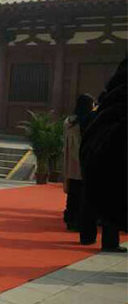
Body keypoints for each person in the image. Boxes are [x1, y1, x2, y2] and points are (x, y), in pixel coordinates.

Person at [79, 58, 127, 253]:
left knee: (88, 202)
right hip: (109, 166)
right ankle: (108, 241)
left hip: (91, 164)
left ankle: (87, 235)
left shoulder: (92, 119)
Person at [62, 94, 94, 232]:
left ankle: (70, 218)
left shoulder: (68, 120)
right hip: (82, 160)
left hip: (71, 162)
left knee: (72, 193)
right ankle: (78, 220)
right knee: (82, 194)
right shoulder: (86, 121)